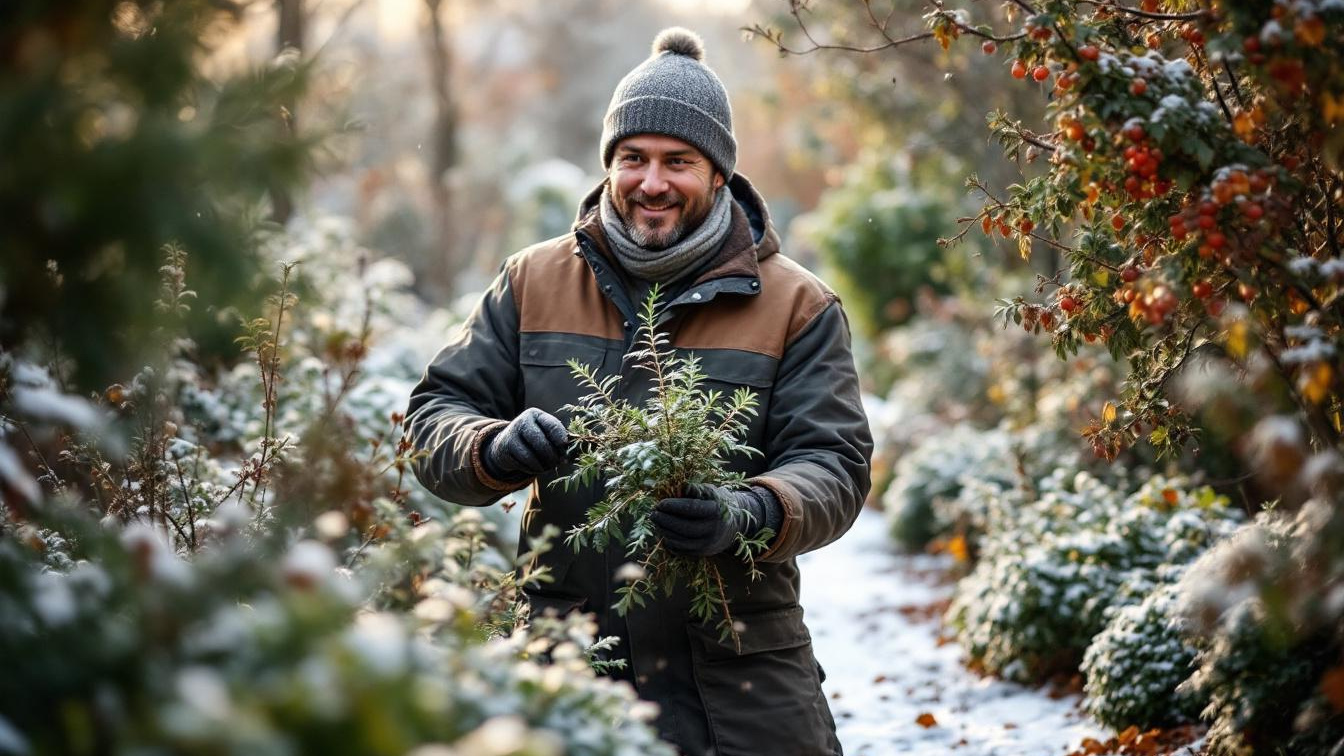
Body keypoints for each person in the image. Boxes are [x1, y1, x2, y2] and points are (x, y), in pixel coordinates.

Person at [406, 27, 872, 756]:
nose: (652, 183)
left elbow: (835, 464)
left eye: (677, 161)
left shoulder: (797, 306)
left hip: (742, 677)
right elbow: (436, 413)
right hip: (571, 663)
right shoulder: (531, 282)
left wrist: (751, 511)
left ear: (718, 173)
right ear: (611, 164)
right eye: (634, 158)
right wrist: (491, 448)